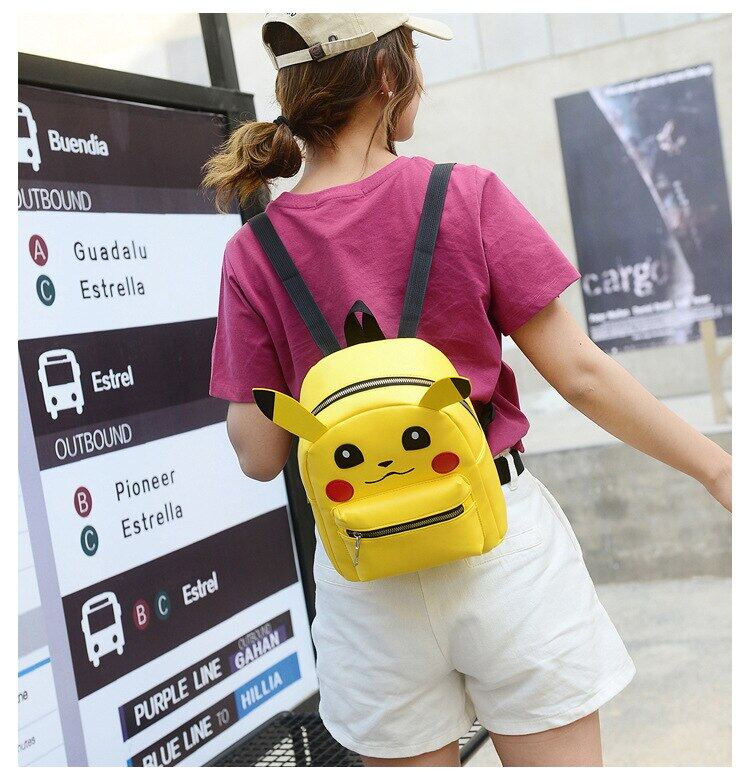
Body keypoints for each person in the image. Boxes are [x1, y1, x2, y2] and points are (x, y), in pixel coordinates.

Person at [204, 13, 731, 767]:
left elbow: (258, 455)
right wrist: (719, 470)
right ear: (388, 75)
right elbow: (581, 376)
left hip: (365, 568)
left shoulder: (253, 252)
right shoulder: (465, 195)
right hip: (497, 539)